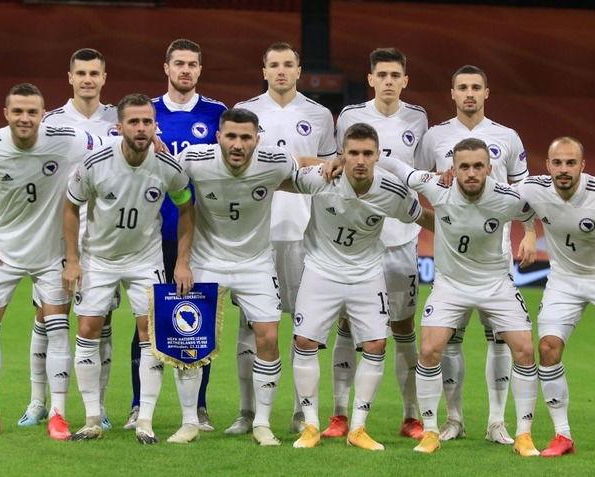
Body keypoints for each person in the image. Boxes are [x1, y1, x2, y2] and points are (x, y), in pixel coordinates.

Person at [377, 138, 540, 456]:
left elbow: (531, 207)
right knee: (429, 350)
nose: (471, 172)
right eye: (464, 166)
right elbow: (398, 167)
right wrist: (346, 160)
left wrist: (531, 233)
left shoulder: (505, 196)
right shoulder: (437, 186)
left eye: (478, 166)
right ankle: (431, 431)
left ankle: (524, 434)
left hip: (495, 283)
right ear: (453, 168)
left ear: (489, 168)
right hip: (450, 284)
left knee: (524, 349)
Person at [177, 107, 324, 446]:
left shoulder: (274, 160)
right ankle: (189, 422)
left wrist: (334, 163)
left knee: (268, 337)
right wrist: (182, 261)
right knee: (190, 340)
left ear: (257, 140)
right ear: (218, 137)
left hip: (256, 263)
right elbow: (167, 178)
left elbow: (303, 166)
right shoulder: (195, 159)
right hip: (207, 261)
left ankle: (261, 422)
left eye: (246, 137)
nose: (238, 144)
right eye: (231, 136)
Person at [0, 83, 97, 440]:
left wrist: (151, 140)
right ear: (6, 113)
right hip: (3, 252)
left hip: (51, 254)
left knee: (57, 329)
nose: (25, 118)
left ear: (43, 115)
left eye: (32, 112)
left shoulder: (67, 139)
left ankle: (58, 415)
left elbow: (109, 146)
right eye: (18, 111)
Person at [291, 123, 433, 451]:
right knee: (305, 340)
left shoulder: (393, 191)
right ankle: (310, 425)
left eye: (367, 153)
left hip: (367, 273)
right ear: (342, 154)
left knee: (376, 345)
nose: (360, 160)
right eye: (353, 153)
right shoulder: (321, 178)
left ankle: (358, 428)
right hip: (321, 269)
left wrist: (459, 232)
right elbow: (283, 173)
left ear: (377, 155)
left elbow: (422, 217)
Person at [63, 93, 194, 444]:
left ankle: (145, 420)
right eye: (134, 122)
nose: (141, 128)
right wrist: (72, 260)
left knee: (149, 332)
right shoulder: (96, 162)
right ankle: (93, 418)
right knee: (88, 327)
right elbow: (71, 206)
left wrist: (182, 261)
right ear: (119, 127)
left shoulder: (168, 167)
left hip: (144, 259)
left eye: (147, 122)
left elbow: (186, 208)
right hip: (99, 259)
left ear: (155, 126)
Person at [414, 65, 534, 444]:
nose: (469, 93)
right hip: (453, 261)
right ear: (452, 93)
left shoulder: (507, 137)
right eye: (462, 87)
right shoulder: (435, 136)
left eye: (476, 87)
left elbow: (524, 192)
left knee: (499, 340)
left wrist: (530, 233)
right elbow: (421, 182)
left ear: (486, 92)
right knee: (449, 341)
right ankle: (454, 419)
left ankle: (497, 421)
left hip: (496, 257)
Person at [517, 137, 595, 461]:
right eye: (557, 163)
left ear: (582, 166)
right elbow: (512, 202)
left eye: (570, 163)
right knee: (548, 348)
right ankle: (562, 435)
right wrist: (529, 232)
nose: (564, 169)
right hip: (564, 279)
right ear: (548, 166)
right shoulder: (532, 188)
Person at [232, 41, 336, 434]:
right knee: (250, 326)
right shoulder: (245, 111)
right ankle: (246, 412)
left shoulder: (319, 115)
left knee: (304, 326)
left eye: (288, 64)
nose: (281, 71)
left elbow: (330, 169)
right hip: (255, 235)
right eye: (273, 64)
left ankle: (300, 411)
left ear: (298, 71)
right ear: (264, 71)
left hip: (304, 235)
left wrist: (292, 164)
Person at [124, 38, 226, 433]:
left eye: (192, 64)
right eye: (179, 63)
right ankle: (138, 405)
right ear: (166, 68)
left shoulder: (216, 113)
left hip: (196, 236)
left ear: (200, 69)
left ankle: (198, 408)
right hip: (150, 235)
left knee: (197, 322)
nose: (186, 70)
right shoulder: (146, 114)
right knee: (145, 321)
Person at [326, 47, 428, 440]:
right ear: (370, 79)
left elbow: (419, 175)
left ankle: (411, 415)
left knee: (402, 326)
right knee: (347, 323)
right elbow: (338, 166)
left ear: (405, 80)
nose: (388, 81)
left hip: (401, 239)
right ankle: (339, 414)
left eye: (395, 75)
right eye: (381, 75)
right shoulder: (350, 116)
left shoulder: (417, 118)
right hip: (357, 239)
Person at [18, 47, 119, 431]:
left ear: (104, 78)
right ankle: (37, 402)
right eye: (81, 73)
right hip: (59, 235)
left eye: (94, 73)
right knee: (47, 316)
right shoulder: (51, 122)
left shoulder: (119, 121)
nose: (88, 79)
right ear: (70, 77)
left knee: (100, 320)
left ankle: (99, 406)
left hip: (104, 236)